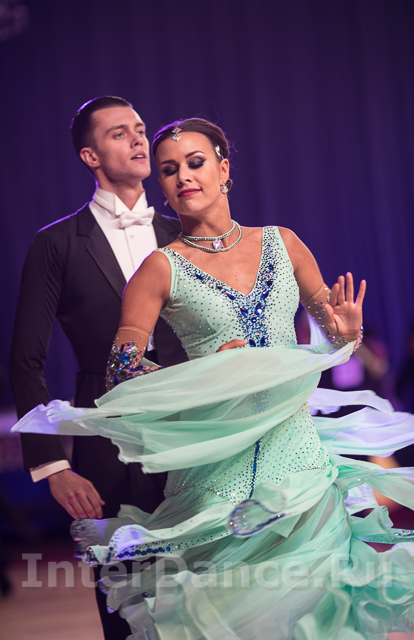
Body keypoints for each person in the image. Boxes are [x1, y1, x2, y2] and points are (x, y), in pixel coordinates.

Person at [14, 118, 414, 639]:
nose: (184, 176)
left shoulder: (283, 243)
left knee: (320, 607)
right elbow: (120, 369)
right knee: (232, 613)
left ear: (224, 169)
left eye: (196, 163)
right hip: (218, 470)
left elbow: (335, 340)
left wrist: (346, 332)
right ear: (162, 185)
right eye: (169, 170)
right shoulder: (159, 268)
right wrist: (201, 372)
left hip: (299, 461)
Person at [9, 97, 187, 639]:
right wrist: (52, 466)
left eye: (140, 129)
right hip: (106, 441)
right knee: (126, 607)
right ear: (90, 156)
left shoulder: (183, 235)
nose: (138, 140)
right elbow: (25, 362)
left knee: (203, 600)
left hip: (190, 436)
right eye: (118, 133)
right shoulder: (56, 243)